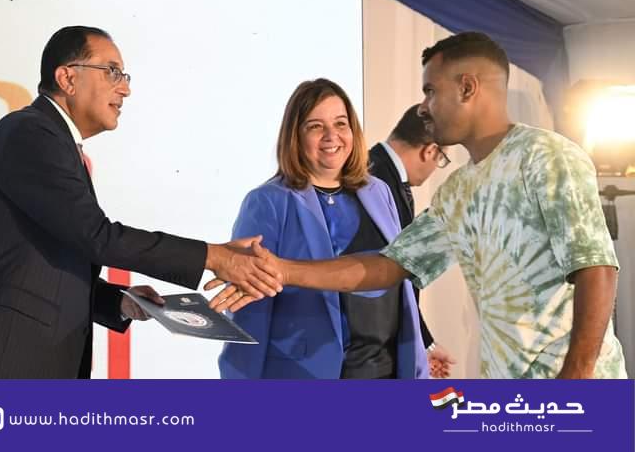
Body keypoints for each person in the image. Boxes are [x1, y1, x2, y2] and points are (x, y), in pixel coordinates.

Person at [210, 32, 627, 380]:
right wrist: (282, 270)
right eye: (315, 126)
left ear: (467, 88)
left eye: (431, 91)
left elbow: (596, 269)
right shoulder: (458, 190)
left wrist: (575, 382)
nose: (423, 107)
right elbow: (388, 266)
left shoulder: (546, 156)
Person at [0, 25, 281, 380]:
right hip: (5, 365)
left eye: (124, 76)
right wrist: (214, 256)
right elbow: (96, 237)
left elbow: (46, 263)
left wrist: (120, 302)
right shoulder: (30, 132)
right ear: (68, 78)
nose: (125, 89)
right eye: (112, 71)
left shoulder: (54, 142)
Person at [219, 78, 427, 380]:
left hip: (387, 374)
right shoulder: (267, 202)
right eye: (315, 126)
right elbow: (249, 311)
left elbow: (401, 286)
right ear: (295, 135)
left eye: (341, 124)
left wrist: (419, 367)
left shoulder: (379, 191)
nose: (332, 136)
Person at [369, 104, 456, 378]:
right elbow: (390, 274)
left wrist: (424, 344)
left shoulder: (380, 172)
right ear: (430, 150)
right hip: (371, 352)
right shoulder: (376, 182)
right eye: (442, 159)